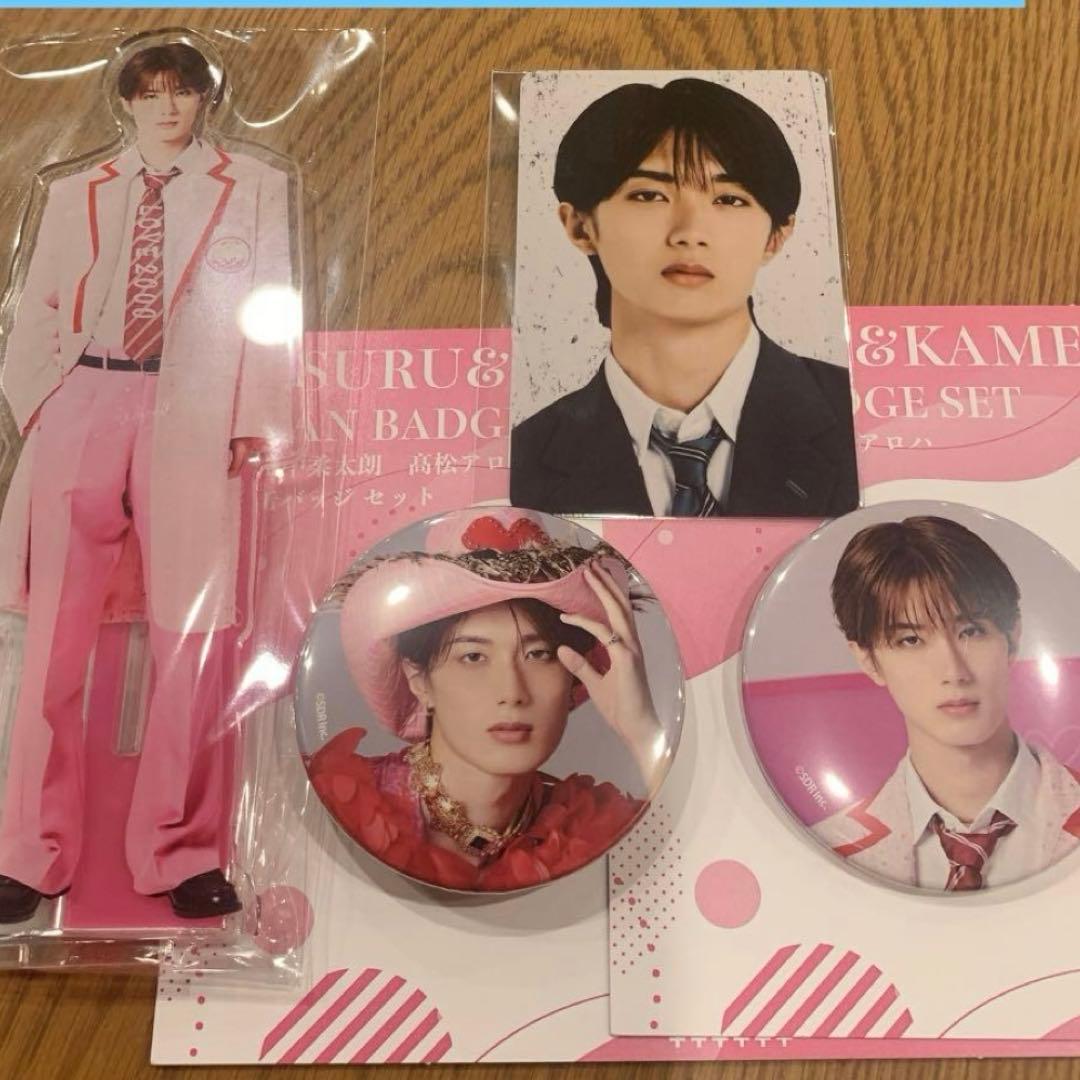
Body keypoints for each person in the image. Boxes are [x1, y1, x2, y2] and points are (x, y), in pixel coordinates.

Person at [0, 38, 294, 921]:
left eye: (183, 92)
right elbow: (39, 304)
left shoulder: (252, 185)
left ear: (205, 101)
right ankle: (29, 852)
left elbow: (271, 303)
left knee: (193, 634)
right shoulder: (77, 191)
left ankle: (179, 851)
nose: (168, 107)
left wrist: (253, 421)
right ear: (126, 101)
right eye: (152, 92)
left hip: (193, 408)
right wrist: (39, 404)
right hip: (85, 396)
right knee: (53, 639)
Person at [510, 77, 858, 520]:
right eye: (649, 195)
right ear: (580, 226)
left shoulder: (858, 419)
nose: (690, 233)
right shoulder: (521, 461)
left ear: (777, 235)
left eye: (729, 199)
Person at [305, 510, 661, 891]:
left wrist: (642, 731)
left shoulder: (592, 825)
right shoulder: (333, 805)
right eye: (473, 657)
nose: (512, 692)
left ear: (574, 675)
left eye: (538, 654)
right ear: (419, 680)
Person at [813, 516, 1080, 892]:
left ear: (1013, 638)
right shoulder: (828, 848)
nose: (954, 671)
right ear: (868, 660)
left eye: (971, 631)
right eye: (910, 640)